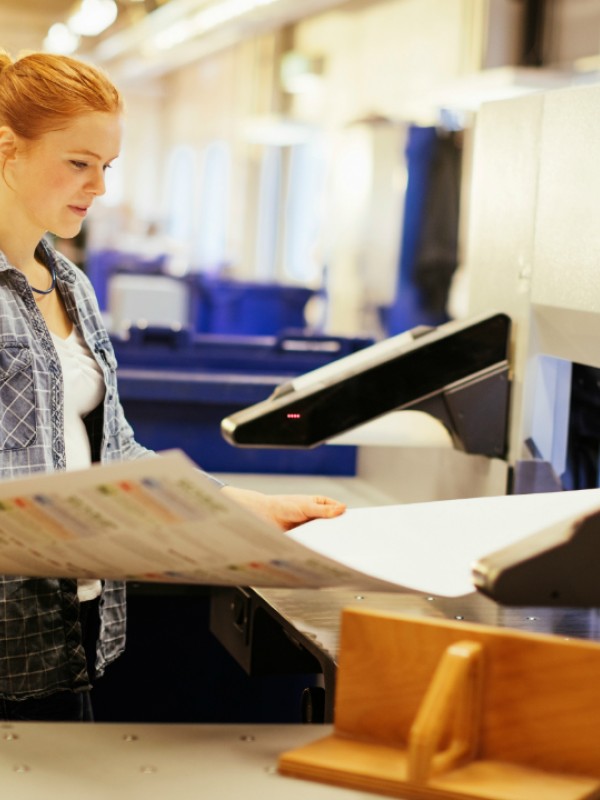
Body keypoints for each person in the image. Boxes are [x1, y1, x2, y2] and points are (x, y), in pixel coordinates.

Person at [0, 49, 346, 722]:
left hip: (67, 627)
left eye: (107, 167)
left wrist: (237, 506)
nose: (98, 187)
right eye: (78, 162)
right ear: (6, 149)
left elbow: (116, 452)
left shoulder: (71, 285)